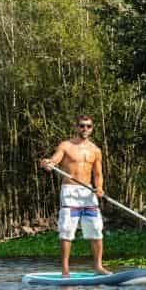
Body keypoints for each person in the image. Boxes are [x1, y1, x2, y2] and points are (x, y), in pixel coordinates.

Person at [39, 115, 110, 277]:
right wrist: (48, 163)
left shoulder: (95, 150)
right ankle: (65, 270)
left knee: (96, 229)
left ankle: (98, 267)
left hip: (88, 193)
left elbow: (98, 174)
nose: (85, 129)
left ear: (92, 128)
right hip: (70, 192)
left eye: (88, 126)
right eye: (82, 126)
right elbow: (55, 160)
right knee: (67, 231)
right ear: (76, 127)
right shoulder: (66, 145)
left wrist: (99, 188)